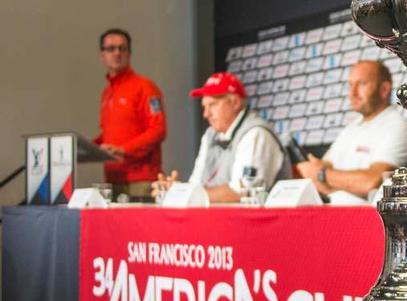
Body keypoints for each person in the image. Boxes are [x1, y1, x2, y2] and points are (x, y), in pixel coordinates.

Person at [153, 72, 290, 203]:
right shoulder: (210, 135)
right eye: (204, 107)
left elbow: (243, 191)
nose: (206, 114)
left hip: (254, 225)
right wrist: (175, 190)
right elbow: (196, 183)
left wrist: (186, 194)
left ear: (235, 103)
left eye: (212, 105)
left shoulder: (256, 134)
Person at [296, 60, 407, 202]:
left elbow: (371, 183)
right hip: (336, 214)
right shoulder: (351, 129)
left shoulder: (398, 127)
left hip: (372, 221)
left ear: (384, 89)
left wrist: (322, 175)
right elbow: (322, 170)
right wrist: (323, 174)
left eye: (361, 84)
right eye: (350, 85)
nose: (352, 93)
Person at [93, 28, 166, 200]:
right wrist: (87, 147)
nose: (117, 53)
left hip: (141, 180)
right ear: (102, 55)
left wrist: (124, 150)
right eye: (111, 49)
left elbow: (158, 129)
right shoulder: (107, 93)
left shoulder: (145, 87)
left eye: (122, 48)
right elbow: (110, 135)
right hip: (112, 178)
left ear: (129, 53)